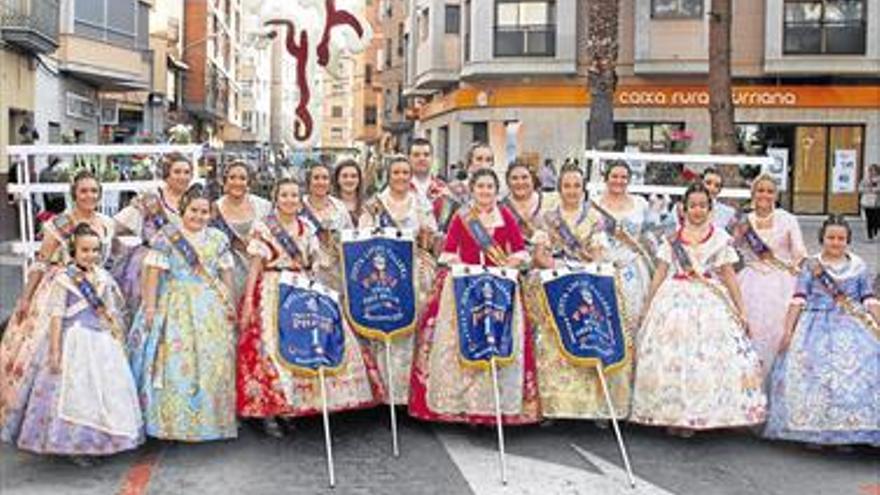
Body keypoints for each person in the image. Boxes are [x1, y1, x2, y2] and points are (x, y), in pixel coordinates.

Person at [237, 179, 382, 435]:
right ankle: (272, 411)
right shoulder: (264, 226)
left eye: (294, 195)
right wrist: (249, 299)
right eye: (284, 195)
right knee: (273, 348)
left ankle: (295, 406)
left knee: (305, 345)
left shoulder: (307, 228)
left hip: (301, 286)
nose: (290, 200)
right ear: (276, 198)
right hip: (273, 287)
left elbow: (315, 264)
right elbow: (256, 265)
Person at [631, 182, 766, 435]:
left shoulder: (719, 238)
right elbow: (660, 272)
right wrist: (648, 306)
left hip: (709, 300)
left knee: (705, 361)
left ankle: (704, 413)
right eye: (692, 205)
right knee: (672, 358)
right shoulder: (671, 239)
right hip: (674, 300)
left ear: (710, 208)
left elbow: (728, 275)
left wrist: (741, 310)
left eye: (702, 205)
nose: (697, 210)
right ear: (683, 209)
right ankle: (672, 414)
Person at [409, 169, 541, 425]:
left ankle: (494, 406)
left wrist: (509, 264)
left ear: (496, 190)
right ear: (472, 189)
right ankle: (463, 405)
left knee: (496, 343)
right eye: (480, 186)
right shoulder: (462, 219)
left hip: (499, 291)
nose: (485, 191)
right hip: (467, 290)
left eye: (490, 187)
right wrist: (464, 268)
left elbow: (520, 252)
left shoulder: (506, 217)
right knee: (464, 342)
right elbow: (448, 253)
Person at [3, 224, 141, 464]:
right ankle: (74, 446)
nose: (91, 255)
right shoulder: (64, 279)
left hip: (101, 341)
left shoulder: (103, 276)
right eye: (85, 250)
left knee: (103, 393)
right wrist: (55, 351)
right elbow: (57, 315)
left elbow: (109, 311)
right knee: (74, 391)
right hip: (73, 341)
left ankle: (101, 442)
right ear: (73, 252)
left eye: (95, 250)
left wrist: (116, 336)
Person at [0, 171, 115, 436]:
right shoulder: (59, 224)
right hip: (62, 291)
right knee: (55, 356)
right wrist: (26, 297)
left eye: (94, 191)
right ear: (73, 193)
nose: (89, 196)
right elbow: (41, 262)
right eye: (83, 191)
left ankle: (100, 421)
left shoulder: (107, 223)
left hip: (95, 292)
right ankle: (54, 426)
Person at [128, 184, 237, 442]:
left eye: (204, 211)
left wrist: (229, 302)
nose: (198, 216)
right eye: (193, 210)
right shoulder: (167, 237)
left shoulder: (217, 239)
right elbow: (153, 272)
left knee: (213, 360)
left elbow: (226, 273)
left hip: (210, 306)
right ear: (182, 209)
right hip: (175, 304)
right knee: (176, 363)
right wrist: (151, 307)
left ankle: (210, 422)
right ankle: (172, 422)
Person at [764, 216, 879, 447]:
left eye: (841, 238)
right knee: (813, 374)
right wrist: (788, 331)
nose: (836, 243)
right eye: (831, 238)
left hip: (852, 323)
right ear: (822, 239)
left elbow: (868, 299)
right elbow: (798, 299)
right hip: (814, 324)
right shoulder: (811, 266)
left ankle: (851, 430)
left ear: (848, 240)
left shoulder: (858, 266)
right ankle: (814, 430)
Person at [530, 165, 630, 420]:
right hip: (556, 278)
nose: (572, 191)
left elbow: (598, 253)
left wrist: (583, 268)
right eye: (567, 186)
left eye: (576, 186)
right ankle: (554, 406)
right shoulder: (547, 218)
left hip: (585, 279)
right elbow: (539, 255)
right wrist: (560, 267)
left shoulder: (594, 219)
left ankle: (595, 405)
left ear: (583, 188)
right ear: (559, 188)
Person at [359, 156, 438, 404]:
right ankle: (384, 391)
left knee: (412, 328)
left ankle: (409, 393)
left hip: (413, 271)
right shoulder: (374, 205)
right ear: (388, 174)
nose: (402, 177)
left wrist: (427, 243)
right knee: (384, 327)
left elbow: (431, 235)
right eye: (396, 172)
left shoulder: (420, 202)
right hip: (384, 276)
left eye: (406, 172)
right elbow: (363, 238)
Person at [734, 174, 807, 379]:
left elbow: (799, 253)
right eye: (760, 190)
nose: (764, 195)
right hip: (749, 281)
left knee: (778, 334)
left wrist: (794, 268)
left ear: (776, 195)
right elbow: (729, 250)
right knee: (749, 332)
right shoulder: (743, 221)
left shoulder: (788, 219)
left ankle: (776, 382)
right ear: (753, 193)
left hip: (781, 283)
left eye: (769, 191)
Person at [113, 153, 193, 311]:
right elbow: (118, 225)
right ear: (166, 174)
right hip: (150, 263)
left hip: (183, 263)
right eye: (177, 172)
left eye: (186, 172)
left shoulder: (193, 200)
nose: (182, 176)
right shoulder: (152, 198)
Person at [588, 161, 655, 333]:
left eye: (624, 177)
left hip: (632, 268)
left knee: (633, 316)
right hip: (602, 269)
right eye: (615, 176)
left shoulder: (640, 204)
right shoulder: (593, 204)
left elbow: (649, 236)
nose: (619, 181)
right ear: (606, 178)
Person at [211, 159, 272, 302]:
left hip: (258, 269)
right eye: (232, 177)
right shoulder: (214, 208)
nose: (237, 182)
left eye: (242, 178)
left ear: (249, 182)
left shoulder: (264, 206)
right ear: (224, 181)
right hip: (227, 271)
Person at [301, 162, 353, 291]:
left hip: (335, 275)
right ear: (309, 182)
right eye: (316, 178)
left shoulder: (339, 207)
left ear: (330, 182)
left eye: (325, 178)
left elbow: (350, 237)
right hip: (306, 274)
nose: (321, 182)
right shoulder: (298, 206)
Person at [502, 161, 554, 243]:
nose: (520, 182)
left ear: (532, 179)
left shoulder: (548, 202)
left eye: (525, 177)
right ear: (508, 182)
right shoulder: (502, 207)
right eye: (514, 178)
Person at [409, 138, 448, 204]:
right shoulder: (399, 187)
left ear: (432, 158)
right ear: (409, 158)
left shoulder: (443, 188)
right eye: (416, 155)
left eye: (426, 155)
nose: (422, 158)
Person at [334, 159, 365, 227]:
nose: (349, 180)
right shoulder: (329, 205)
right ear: (337, 179)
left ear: (359, 180)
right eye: (344, 176)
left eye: (353, 176)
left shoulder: (368, 206)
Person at [859, 163, 880, 241]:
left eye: (874, 170)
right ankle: (870, 236)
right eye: (870, 170)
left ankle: (875, 231)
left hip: (877, 203)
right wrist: (867, 189)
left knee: (876, 219)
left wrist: (874, 189)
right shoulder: (865, 179)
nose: (872, 172)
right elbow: (860, 188)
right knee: (869, 219)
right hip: (867, 202)